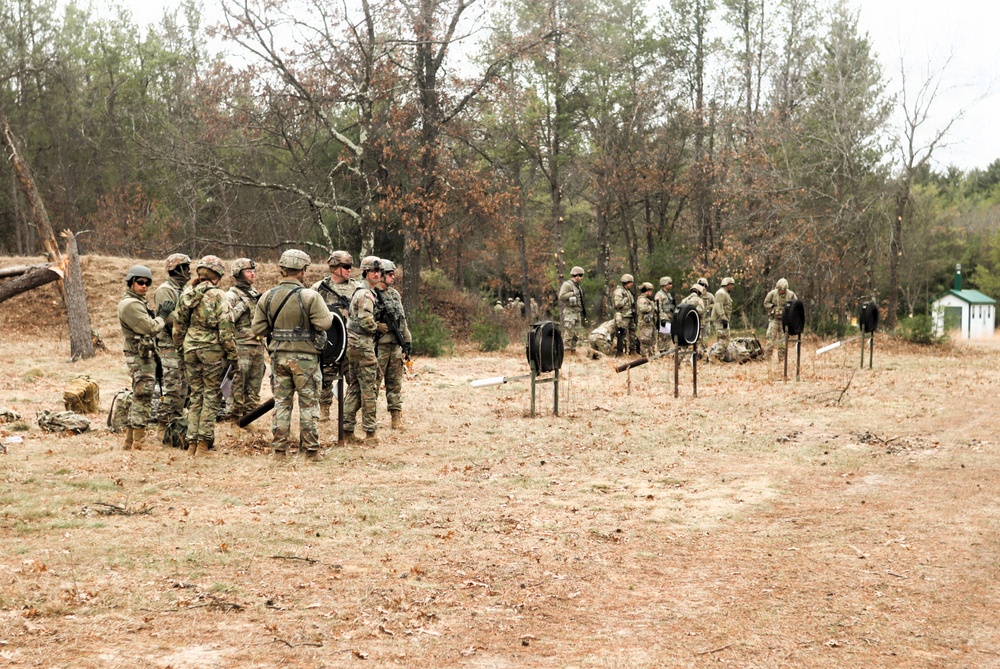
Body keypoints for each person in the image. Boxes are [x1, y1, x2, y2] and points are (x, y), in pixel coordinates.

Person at [252, 249, 333, 457]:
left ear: (283, 269)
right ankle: (311, 451)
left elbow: (258, 330)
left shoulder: (267, 297)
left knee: (281, 405)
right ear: (303, 271)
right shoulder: (310, 296)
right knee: (308, 406)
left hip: (279, 359)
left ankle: (279, 451)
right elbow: (324, 323)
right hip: (305, 361)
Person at [173, 255, 237, 457]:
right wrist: (232, 355)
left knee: (195, 395)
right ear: (217, 274)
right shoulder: (219, 296)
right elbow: (226, 330)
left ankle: (191, 442)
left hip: (190, 348)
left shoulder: (187, 293)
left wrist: (181, 350)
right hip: (211, 350)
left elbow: (178, 326)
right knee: (211, 395)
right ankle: (203, 443)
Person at [118, 265, 166, 450]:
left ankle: (131, 441)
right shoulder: (131, 304)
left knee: (140, 394)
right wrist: (161, 317)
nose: (144, 286)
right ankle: (138, 441)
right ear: (131, 282)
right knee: (143, 395)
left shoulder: (137, 301)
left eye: (147, 283)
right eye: (140, 282)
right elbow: (150, 328)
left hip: (142, 354)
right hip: (138, 355)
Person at [312, 251, 359, 422]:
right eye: (345, 266)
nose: (349, 270)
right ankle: (324, 411)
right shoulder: (318, 288)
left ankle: (349, 414)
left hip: (352, 340)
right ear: (334, 268)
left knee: (354, 378)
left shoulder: (357, 287)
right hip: (330, 341)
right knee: (325, 377)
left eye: (350, 266)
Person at [343, 256, 384, 445]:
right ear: (365, 272)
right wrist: (378, 327)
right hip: (362, 345)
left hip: (353, 345)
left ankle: (346, 429)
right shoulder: (366, 294)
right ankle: (370, 433)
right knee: (369, 387)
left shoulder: (361, 291)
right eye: (373, 271)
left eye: (379, 272)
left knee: (355, 388)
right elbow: (367, 322)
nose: (377, 274)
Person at [151, 253, 190, 447]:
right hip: (170, 347)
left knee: (183, 389)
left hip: (182, 346)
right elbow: (169, 320)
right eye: (186, 267)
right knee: (173, 388)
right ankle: (162, 426)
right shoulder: (166, 290)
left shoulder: (183, 290)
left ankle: (174, 427)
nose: (189, 271)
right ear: (177, 269)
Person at [374, 260, 412, 430]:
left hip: (395, 346)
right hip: (378, 346)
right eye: (390, 274)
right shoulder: (370, 294)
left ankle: (396, 418)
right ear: (380, 275)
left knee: (395, 383)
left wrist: (407, 342)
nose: (393, 277)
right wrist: (376, 326)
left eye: (393, 274)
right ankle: (369, 419)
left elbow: (402, 321)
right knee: (373, 383)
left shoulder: (395, 295)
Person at [226, 258, 265, 423]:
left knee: (254, 387)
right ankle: (235, 418)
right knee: (237, 385)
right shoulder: (231, 295)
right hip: (241, 347)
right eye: (248, 271)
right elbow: (227, 319)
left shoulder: (256, 294)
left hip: (257, 345)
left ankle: (249, 418)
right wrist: (241, 306)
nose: (252, 274)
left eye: (253, 270)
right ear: (238, 274)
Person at [764, 278, 798, 358]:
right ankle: (767, 357)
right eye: (780, 290)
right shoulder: (772, 294)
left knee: (783, 340)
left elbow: (796, 304)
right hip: (774, 320)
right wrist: (773, 307)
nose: (782, 291)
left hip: (785, 321)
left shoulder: (791, 294)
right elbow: (766, 303)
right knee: (770, 339)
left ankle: (782, 358)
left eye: (783, 290)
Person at [558, 266, 586, 351]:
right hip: (570, 312)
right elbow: (561, 296)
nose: (581, 278)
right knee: (569, 333)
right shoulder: (567, 284)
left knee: (576, 334)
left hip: (577, 312)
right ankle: (566, 351)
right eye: (580, 275)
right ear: (576, 275)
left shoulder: (578, 286)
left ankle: (573, 350)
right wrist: (572, 293)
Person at [612, 273, 637, 356]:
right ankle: (620, 352)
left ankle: (633, 351)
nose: (632, 284)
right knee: (622, 334)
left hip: (630, 315)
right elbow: (617, 304)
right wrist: (625, 299)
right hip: (623, 316)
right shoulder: (619, 291)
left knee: (633, 334)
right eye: (631, 282)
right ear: (627, 282)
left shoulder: (628, 291)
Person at [712, 277, 735, 361]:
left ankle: (719, 359)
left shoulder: (725, 293)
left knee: (722, 340)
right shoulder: (721, 293)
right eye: (732, 285)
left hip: (722, 320)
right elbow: (718, 306)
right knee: (724, 341)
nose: (733, 287)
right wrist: (723, 318)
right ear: (727, 284)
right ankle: (714, 358)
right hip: (721, 320)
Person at [680, 283, 707, 355]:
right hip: (696, 325)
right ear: (699, 291)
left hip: (684, 325)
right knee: (694, 344)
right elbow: (701, 311)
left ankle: (679, 360)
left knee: (684, 345)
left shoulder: (684, 300)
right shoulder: (699, 300)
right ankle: (690, 362)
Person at [654, 276, 675, 352]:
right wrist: (662, 318)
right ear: (665, 284)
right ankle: (662, 351)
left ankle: (666, 350)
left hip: (669, 317)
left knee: (668, 335)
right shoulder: (659, 295)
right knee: (663, 336)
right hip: (663, 318)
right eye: (669, 284)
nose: (671, 285)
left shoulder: (668, 295)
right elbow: (657, 308)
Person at [636, 282, 656, 356]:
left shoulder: (648, 300)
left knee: (651, 341)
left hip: (649, 323)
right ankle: (645, 357)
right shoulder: (642, 300)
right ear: (647, 291)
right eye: (650, 291)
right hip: (644, 324)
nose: (651, 292)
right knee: (645, 341)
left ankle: (651, 356)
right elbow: (643, 309)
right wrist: (651, 307)